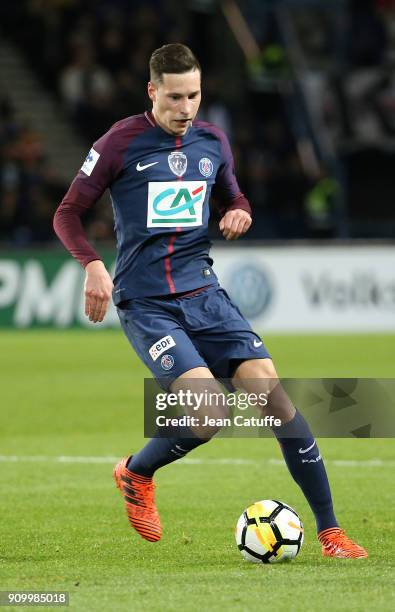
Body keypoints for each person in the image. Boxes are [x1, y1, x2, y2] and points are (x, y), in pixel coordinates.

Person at [54, 43, 367, 558]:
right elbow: (67, 213)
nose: (186, 108)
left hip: (206, 294)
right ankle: (136, 472)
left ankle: (331, 532)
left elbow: (233, 194)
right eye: (175, 97)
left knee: (275, 400)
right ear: (152, 92)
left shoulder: (212, 142)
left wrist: (239, 212)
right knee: (209, 413)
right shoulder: (118, 143)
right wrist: (91, 264)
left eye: (194, 96)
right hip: (148, 303)